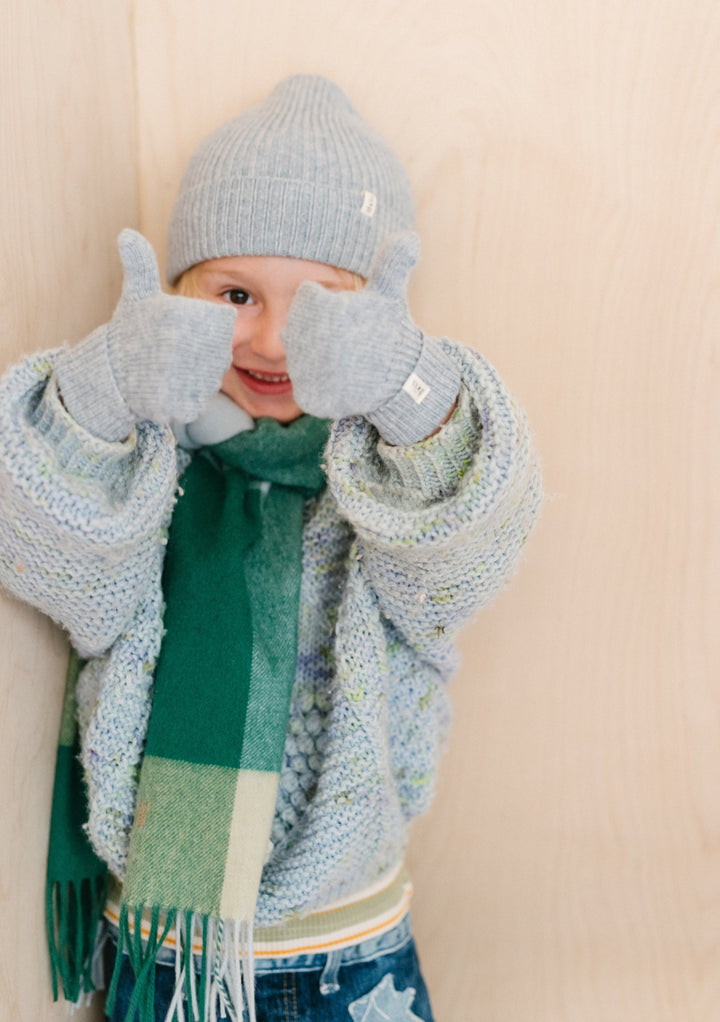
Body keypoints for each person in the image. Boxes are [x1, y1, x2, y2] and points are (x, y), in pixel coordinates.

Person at [0, 75, 542, 1022]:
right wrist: (104, 383)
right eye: (236, 293)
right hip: (162, 952)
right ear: (177, 296)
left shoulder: (380, 486)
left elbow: (469, 540)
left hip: (350, 949)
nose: (274, 338)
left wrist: (410, 385)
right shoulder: (149, 471)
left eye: (322, 304)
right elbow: (53, 547)